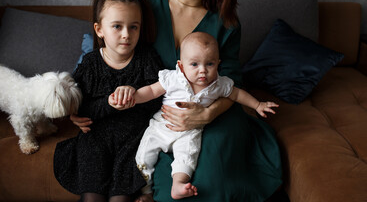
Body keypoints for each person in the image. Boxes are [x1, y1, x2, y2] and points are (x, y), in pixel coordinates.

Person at [72, 0, 283, 201]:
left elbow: (232, 85)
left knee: (210, 177)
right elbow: (112, 47)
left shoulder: (226, 23)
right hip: (160, 113)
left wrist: (207, 114)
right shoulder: (147, 1)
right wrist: (82, 104)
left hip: (214, 110)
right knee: (159, 172)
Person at [109, 32, 279, 200]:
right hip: (162, 126)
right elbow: (152, 90)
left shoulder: (219, 84)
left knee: (187, 157)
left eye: (210, 64)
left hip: (190, 131)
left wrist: (258, 105)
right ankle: (146, 192)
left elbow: (237, 94)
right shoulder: (174, 78)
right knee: (143, 157)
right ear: (181, 65)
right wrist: (134, 97)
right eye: (195, 64)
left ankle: (178, 185)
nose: (203, 71)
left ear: (218, 64)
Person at [53, 0, 163, 202]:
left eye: (134, 27)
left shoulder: (146, 58)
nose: (126, 34)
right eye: (117, 26)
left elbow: (159, 100)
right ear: (99, 30)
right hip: (96, 140)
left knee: (120, 199)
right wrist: (109, 103)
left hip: (132, 141)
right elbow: (80, 107)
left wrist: (135, 94)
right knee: (92, 197)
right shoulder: (91, 63)